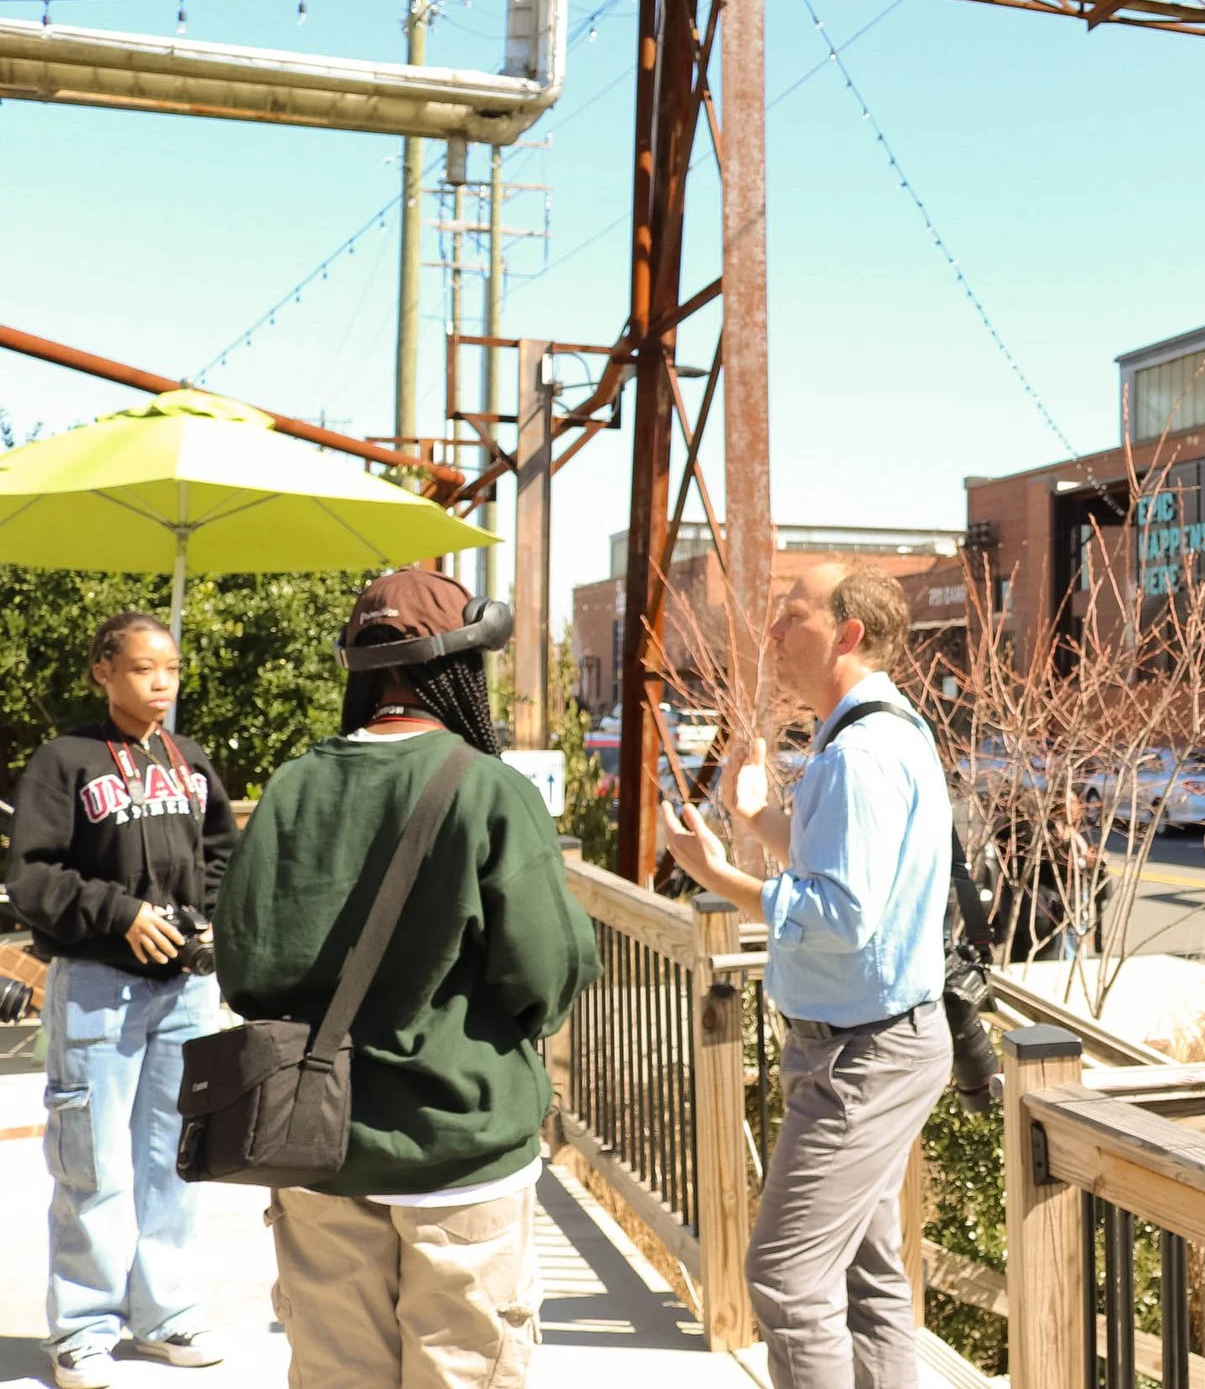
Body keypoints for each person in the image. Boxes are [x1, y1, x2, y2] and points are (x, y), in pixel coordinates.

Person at [214, 567, 600, 1389]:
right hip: (461, 1153)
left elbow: (243, 964)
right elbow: (551, 973)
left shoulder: (291, 786)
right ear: (461, 668)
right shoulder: (490, 789)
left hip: (318, 1150)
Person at [660, 562, 953, 1389]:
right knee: (867, 1278)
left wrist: (719, 875)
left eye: (792, 617)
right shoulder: (892, 732)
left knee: (785, 1278)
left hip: (861, 1057)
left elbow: (838, 913)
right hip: (885, 1044)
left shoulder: (856, 756)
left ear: (848, 634)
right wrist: (755, 820)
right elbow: (844, 876)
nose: (775, 635)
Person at [8, 613, 235, 1388]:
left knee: (173, 1157)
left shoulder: (190, 760)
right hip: (98, 988)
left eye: (171, 668)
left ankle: (164, 1313)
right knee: (93, 1160)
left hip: (185, 991)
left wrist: (203, 915)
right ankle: (80, 1326)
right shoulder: (64, 761)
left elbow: (221, 854)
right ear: (104, 670)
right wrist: (121, 913)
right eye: (143, 668)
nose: (162, 683)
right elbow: (31, 875)